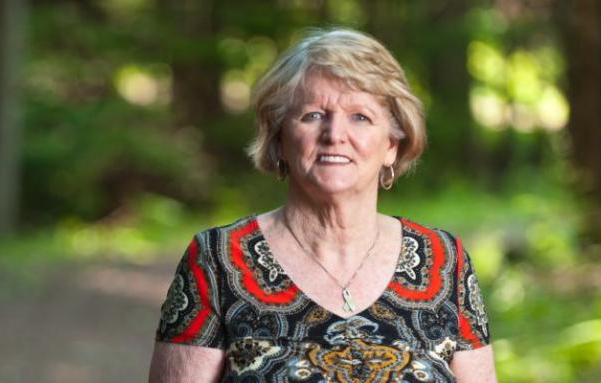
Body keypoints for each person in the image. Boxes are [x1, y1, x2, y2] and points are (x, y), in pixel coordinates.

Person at [149, 28, 496, 383]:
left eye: (360, 117)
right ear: (279, 137)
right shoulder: (217, 260)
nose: (334, 134)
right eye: (313, 115)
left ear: (391, 144)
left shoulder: (443, 261)